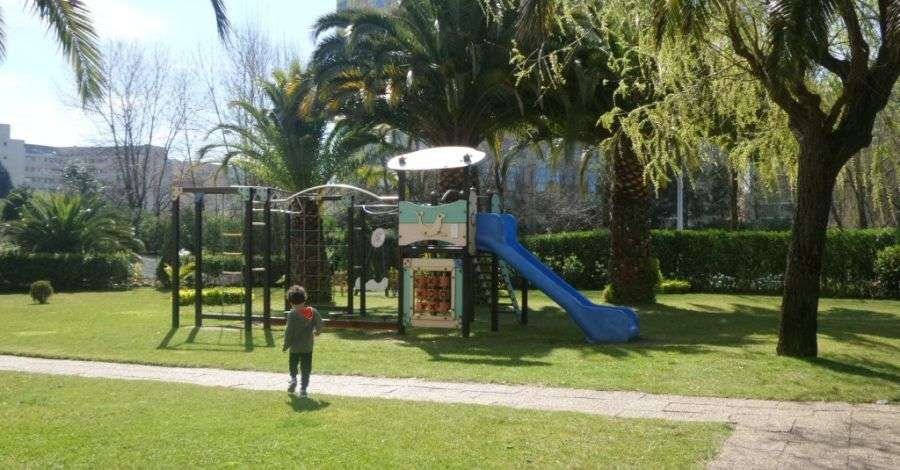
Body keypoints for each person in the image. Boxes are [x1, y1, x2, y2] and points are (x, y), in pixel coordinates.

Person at [282, 285, 323, 397]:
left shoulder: (292, 314)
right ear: (304, 299)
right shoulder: (312, 311)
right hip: (307, 347)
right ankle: (303, 390)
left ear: (291, 302)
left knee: (293, 365)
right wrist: (318, 332)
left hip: (294, 347)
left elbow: (289, 331)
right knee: (306, 368)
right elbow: (320, 324)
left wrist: (286, 344)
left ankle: (293, 379)